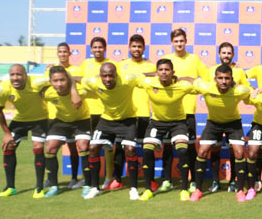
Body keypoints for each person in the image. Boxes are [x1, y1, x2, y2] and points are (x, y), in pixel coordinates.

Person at [136, 59, 197, 202]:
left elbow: (197, 83)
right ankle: (148, 189)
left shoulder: (181, 86)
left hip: (178, 123)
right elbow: (136, 76)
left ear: (173, 72)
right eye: (161, 70)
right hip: (157, 123)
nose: (164, 72)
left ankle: (184, 189)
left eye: (167, 70)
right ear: (156, 72)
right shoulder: (149, 83)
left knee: (182, 150)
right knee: (147, 150)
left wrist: (181, 78)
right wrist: (151, 74)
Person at [192, 65, 252, 202]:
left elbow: (254, 92)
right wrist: (175, 78)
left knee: (239, 153)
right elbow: (191, 80)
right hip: (213, 123)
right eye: (220, 78)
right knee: (202, 152)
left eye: (227, 78)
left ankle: (240, 190)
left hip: (233, 124)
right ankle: (198, 190)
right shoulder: (206, 87)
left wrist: (258, 91)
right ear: (215, 79)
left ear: (232, 79)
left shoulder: (240, 90)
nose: (224, 81)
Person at [82, 62, 141, 200]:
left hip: (128, 120)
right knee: (93, 147)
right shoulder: (94, 82)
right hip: (106, 120)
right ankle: (95, 188)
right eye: (104, 76)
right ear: (100, 76)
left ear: (116, 75)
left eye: (111, 76)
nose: (108, 79)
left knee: (130, 149)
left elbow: (145, 77)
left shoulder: (127, 80)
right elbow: (76, 79)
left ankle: (133, 189)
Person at [0, 64, 51, 197]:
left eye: (19, 74)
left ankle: (39, 188)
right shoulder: (3, 88)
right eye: (12, 75)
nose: (15, 78)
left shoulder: (37, 82)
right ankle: (10, 187)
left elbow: (57, 80)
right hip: (20, 120)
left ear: (26, 75)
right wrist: (6, 133)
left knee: (38, 148)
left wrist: (46, 88)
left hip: (40, 119)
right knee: (8, 147)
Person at [164, 28, 208, 190]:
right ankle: (167, 180)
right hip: (169, 112)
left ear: (186, 41)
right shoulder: (167, 59)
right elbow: (157, 77)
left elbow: (207, 78)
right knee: (168, 146)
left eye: (181, 41)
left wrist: (189, 80)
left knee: (190, 147)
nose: (179, 44)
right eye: (176, 41)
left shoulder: (194, 59)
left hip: (188, 111)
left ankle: (193, 181)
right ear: (172, 42)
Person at [204, 42, 251, 193]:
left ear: (233, 55)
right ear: (219, 54)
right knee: (215, 150)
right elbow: (206, 87)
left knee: (235, 151)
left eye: (229, 53)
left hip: (233, 120)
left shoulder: (239, 72)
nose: (226, 55)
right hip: (214, 119)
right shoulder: (211, 70)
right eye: (223, 53)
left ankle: (233, 181)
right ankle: (215, 181)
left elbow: (248, 90)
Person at [41, 66, 92, 198]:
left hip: (81, 120)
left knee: (83, 146)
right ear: (50, 82)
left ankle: (87, 184)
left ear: (67, 80)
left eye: (62, 80)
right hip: (61, 121)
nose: (59, 84)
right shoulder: (48, 93)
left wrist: (74, 89)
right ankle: (53, 185)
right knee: (50, 147)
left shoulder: (81, 91)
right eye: (55, 81)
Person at [115, 34, 156, 190]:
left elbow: (159, 74)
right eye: (134, 46)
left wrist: (142, 75)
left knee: (147, 148)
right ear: (129, 47)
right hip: (125, 113)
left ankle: (150, 180)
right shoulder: (121, 65)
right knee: (120, 146)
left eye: (139, 46)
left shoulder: (150, 66)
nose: (136, 49)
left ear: (143, 48)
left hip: (144, 113)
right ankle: (117, 179)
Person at [44, 42, 84, 189]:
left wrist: (72, 86)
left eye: (65, 52)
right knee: (50, 147)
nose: (62, 54)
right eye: (60, 52)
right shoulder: (50, 69)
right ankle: (50, 178)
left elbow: (78, 84)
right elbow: (46, 87)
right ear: (57, 53)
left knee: (73, 147)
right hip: (54, 115)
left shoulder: (76, 69)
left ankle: (74, 177)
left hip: (73, 114)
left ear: (69, 53)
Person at [79, 36, 115, 191]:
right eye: (95, 47)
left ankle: (108, 177)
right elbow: (80, 81)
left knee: (107, 146)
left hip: (106, 111)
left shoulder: (112, 65)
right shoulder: (86, 64)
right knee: (88, 146)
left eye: (100, 47)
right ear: (91, 48)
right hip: (89, 112)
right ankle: (87, 179)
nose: (98, 50)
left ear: (105, 48)